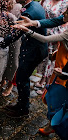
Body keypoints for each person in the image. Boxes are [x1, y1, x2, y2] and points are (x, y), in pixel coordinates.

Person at [13, 7, 68, 136]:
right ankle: (53, 123)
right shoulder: (65, 19)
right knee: (54, 94)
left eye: (66, 13)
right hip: (61, 62)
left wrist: (28, 31)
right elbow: (55, 20)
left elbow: (46, 39)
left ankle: (57, 125)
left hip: (65, 68)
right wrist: (33, 23)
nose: (63, 14)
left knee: (61, 97)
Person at [0, 0, 48, 118]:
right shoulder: (34, 5)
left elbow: (16, 34)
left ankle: (23, 110)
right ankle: (21, 104)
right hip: (34, 48)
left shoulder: (30, 12)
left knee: (22, 78)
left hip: (34, 51)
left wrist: (1, 44)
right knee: (21, 77)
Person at [36, 0, 68, 94]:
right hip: (45, 30)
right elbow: (42, 13)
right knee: (44, 58)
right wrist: (42, 1)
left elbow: (64, 21)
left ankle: (47, 84)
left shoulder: (65, 2)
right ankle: (42, 78)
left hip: (57, 34)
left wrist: (57, 35)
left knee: (51, 60)